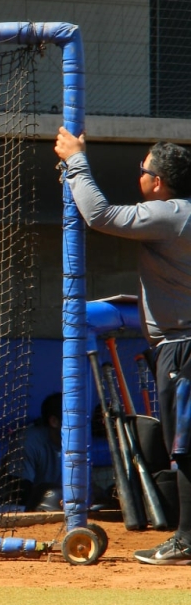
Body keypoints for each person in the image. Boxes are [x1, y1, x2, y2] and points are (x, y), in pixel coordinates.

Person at [56, 127, 191, 564]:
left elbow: (100, 215)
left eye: (143, 170)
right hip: (180, 342)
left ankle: (187, 540)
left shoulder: (171, 214)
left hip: (183, 346)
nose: (141, 176)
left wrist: (76, 160)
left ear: (159, 182)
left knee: (185, 450)